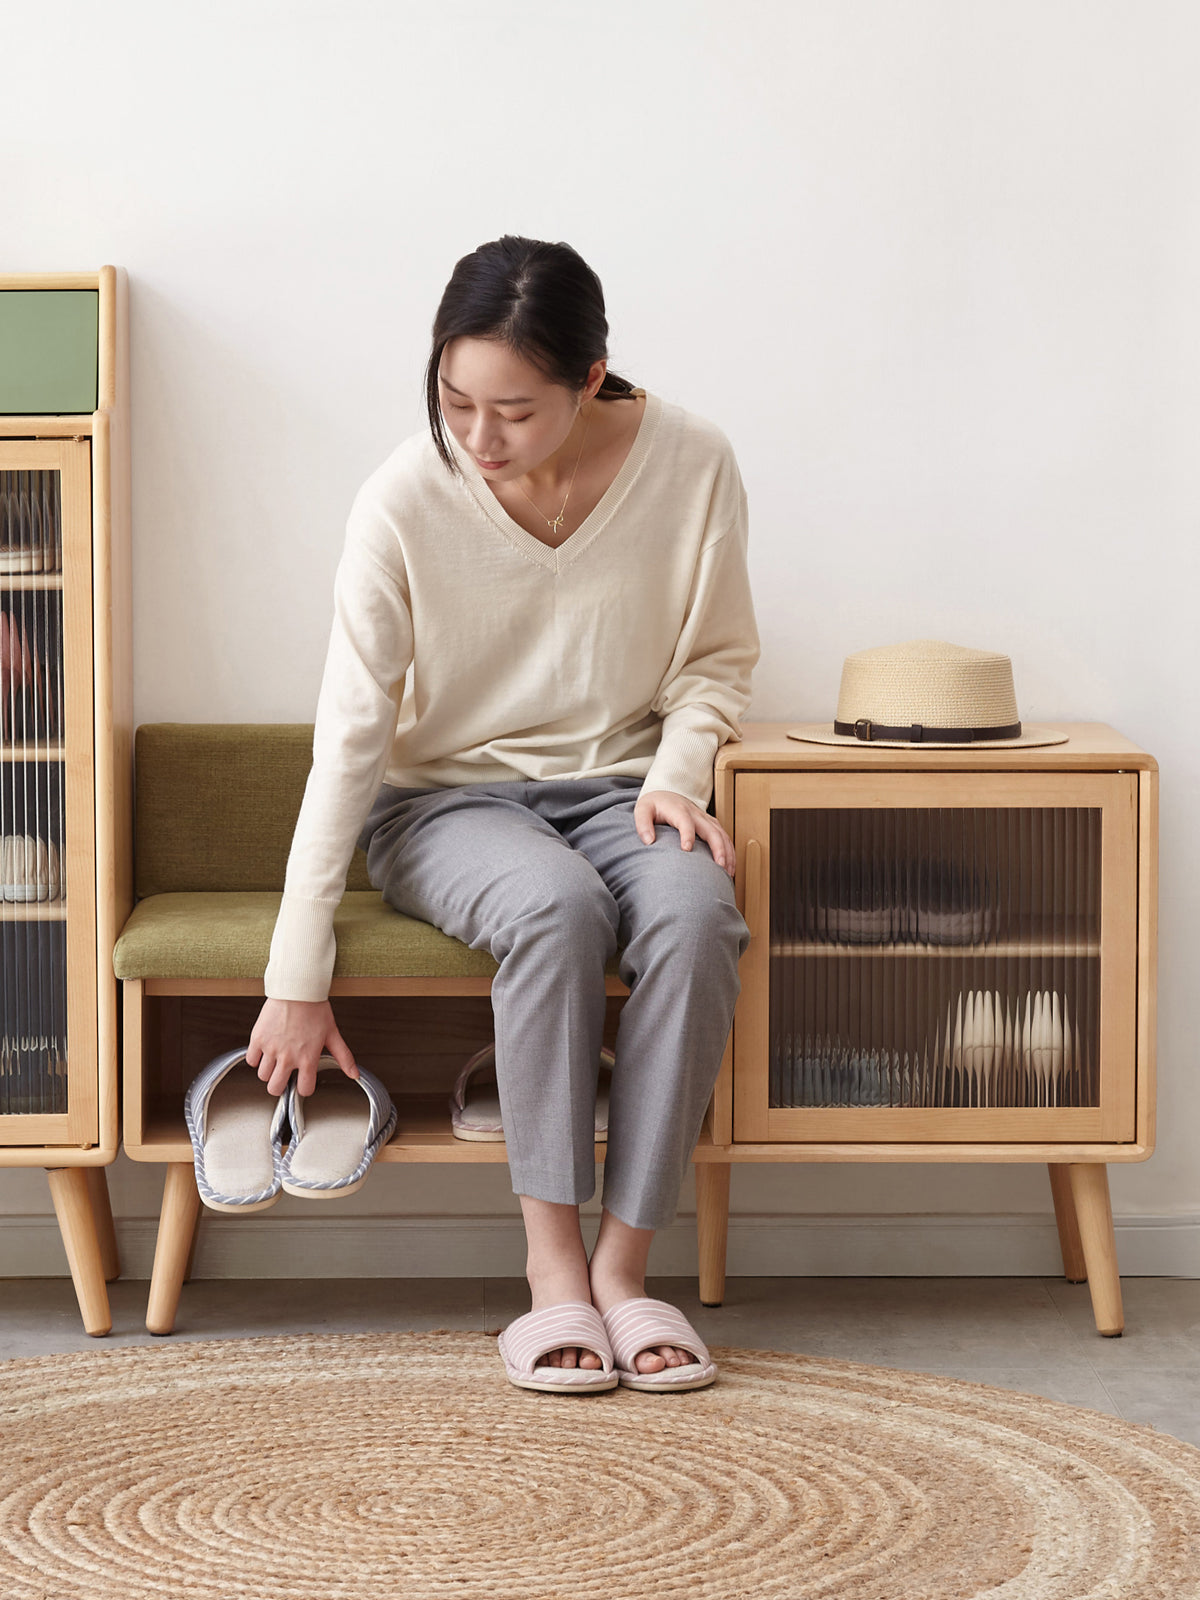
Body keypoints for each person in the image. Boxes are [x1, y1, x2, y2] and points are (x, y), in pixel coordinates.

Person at [246, 235, 759, 1393]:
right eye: (454, 401)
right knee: (557, 907)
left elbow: (718, 659)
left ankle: (626, 1272)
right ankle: (553, 1270)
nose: (479, 439)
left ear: (592, 377)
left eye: (515, 411)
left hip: (626, 789)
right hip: (442, 805)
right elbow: (351, 740)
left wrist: (679, 773)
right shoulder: (400, 500)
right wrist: (296, 965)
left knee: (695, 912)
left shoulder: (693, 462)